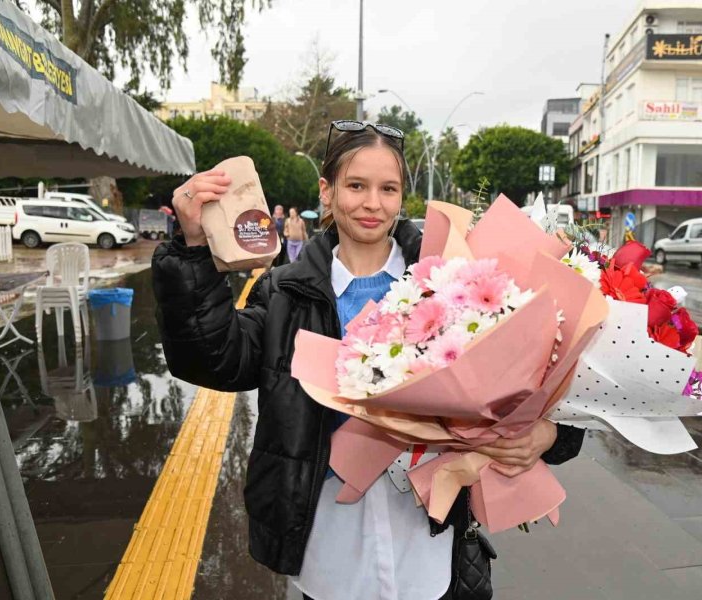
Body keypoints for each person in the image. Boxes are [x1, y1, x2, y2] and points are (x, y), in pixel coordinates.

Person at [152, 121, 584, 600]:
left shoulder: (452, 277)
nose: (372, 203)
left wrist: (549, 436)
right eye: (356, 186)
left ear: (402, 197)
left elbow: (550, 377)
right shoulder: (285, 293)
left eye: (388, 188)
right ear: (328, 191)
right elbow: (213, 358)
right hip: (327, 537)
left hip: (428, 536)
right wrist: (191, 249)